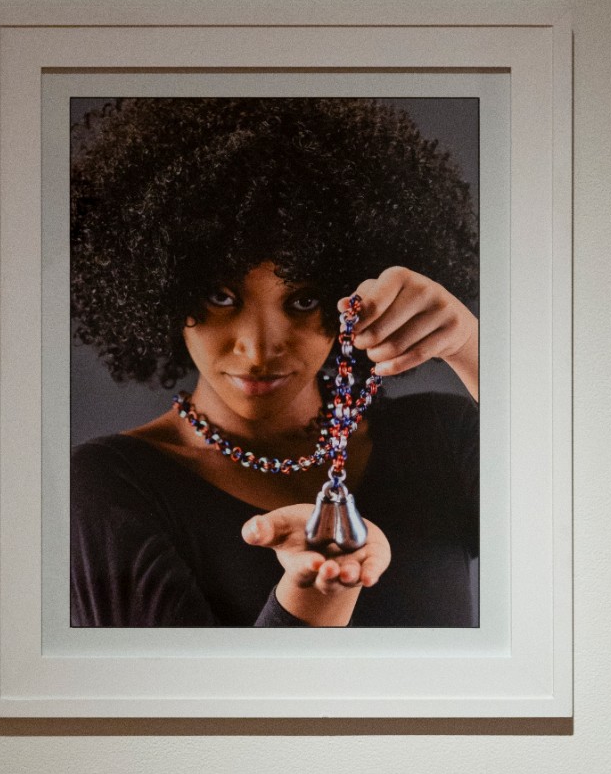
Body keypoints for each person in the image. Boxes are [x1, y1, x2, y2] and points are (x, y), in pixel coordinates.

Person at [70, 97, 479, 628]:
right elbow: (175, 711)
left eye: (304, 300)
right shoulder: (107, 488)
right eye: (221, 296)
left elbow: (600, 543)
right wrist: (315, 598)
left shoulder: (444, 439)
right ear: (159, 290)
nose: (260, 350)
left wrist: (472, 348)